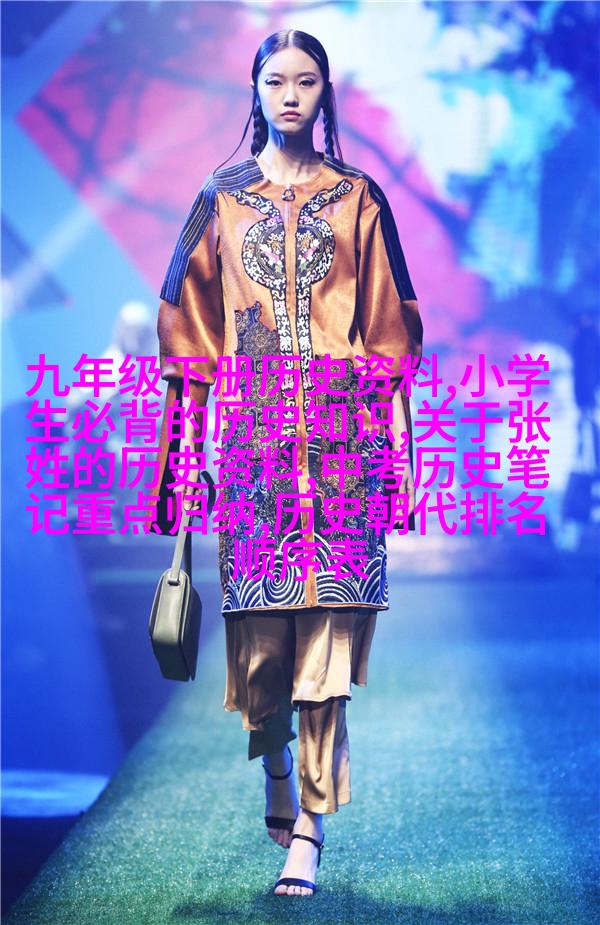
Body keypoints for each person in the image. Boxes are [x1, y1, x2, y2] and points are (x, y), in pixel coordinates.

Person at [151, 29, 423, 897]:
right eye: (277, 81)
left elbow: (393, 330)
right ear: (257, 89)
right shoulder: (220, 199)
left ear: (326, 91)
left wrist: (399, 450)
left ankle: (308, 826)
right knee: (263, 656)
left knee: (328, 652)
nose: (293, 95)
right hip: (254, 452)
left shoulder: (359, 197)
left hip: (345, 448)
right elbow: (187, 339)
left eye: (307, 81)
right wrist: (181, 456)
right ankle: (274, 764)